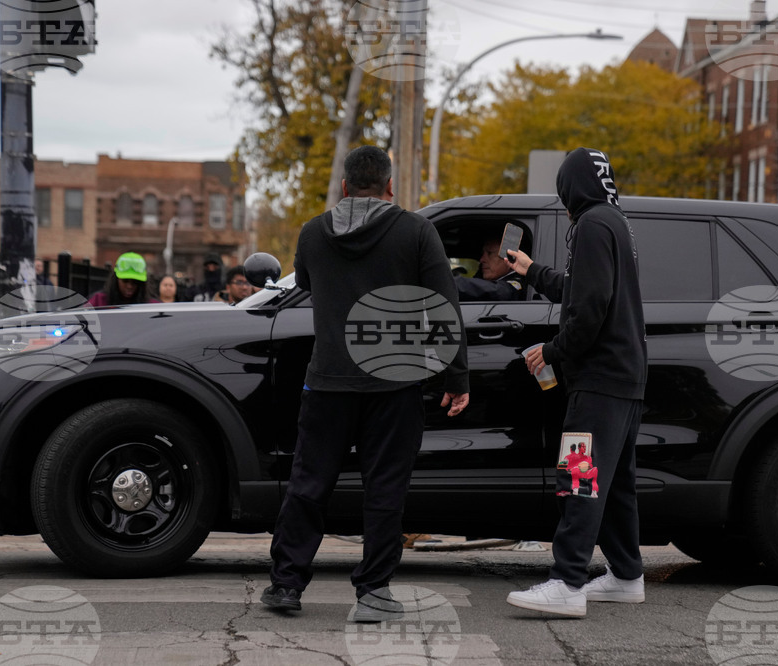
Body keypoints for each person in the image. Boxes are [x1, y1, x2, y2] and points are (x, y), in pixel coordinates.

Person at [261, 145, 470, 621]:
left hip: (327, 383)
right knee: (385, 489)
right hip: (395, 385)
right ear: (390, 186)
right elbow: (443, 306)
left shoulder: (313, 233)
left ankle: (286, 584)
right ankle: (374, 591)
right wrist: (455, 375)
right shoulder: (416, 232)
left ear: (344, 186)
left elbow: (307, 284)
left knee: (308, 485)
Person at [505, 148, 648, 618]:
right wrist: (532, 271)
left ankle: (567, 582)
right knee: (617, 484)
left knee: (578, 476)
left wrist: (551, 350)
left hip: (599, 378)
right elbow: (583, 288)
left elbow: (588, 310)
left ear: (572, 188)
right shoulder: (615, 223)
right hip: (626, 378)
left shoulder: (590, 225)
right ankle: (626, 575)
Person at [453, 235, 526, 301]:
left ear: (510, 258)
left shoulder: (516, 285)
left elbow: (501, 291)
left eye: (489, 253)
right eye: (483, 253)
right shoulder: (482, 278)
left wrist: (451, 283)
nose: (482, 259)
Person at [88, 252, 154, 306]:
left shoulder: (152, 306)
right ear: (116, 279)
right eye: (125, 280)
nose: (129, 286)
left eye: (135, 282)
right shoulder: (98, 301)